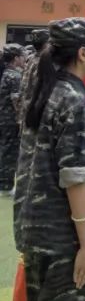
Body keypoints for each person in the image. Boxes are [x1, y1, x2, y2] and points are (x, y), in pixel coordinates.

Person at [15, 18, 85, 301]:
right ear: (82, 53)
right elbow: (74, 180)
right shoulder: (74, 98)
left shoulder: (45, 89)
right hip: (64, 236)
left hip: (36, 229)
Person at [0, 43, 26, 194]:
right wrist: (21, 120)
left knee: (5, 150)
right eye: (22, 56)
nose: (24, 59)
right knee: (9, 152)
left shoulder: (7, 73)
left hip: (5, 119)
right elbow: (17, 102)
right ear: (16, 58)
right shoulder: (14, 76)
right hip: (10, 120)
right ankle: (5, 185)